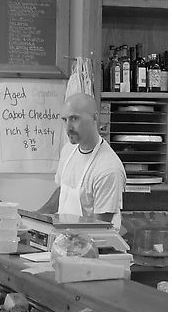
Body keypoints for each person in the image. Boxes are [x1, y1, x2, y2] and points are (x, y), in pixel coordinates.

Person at [38, 93, 126, 231]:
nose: (68, 128)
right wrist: (33, 219)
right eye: (64, 120)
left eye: (74, 118)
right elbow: (62, 191)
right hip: (67, 239)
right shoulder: (68, 150)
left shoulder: (108, 169)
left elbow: (99, 230)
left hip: (97, 247)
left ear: (95, 118)